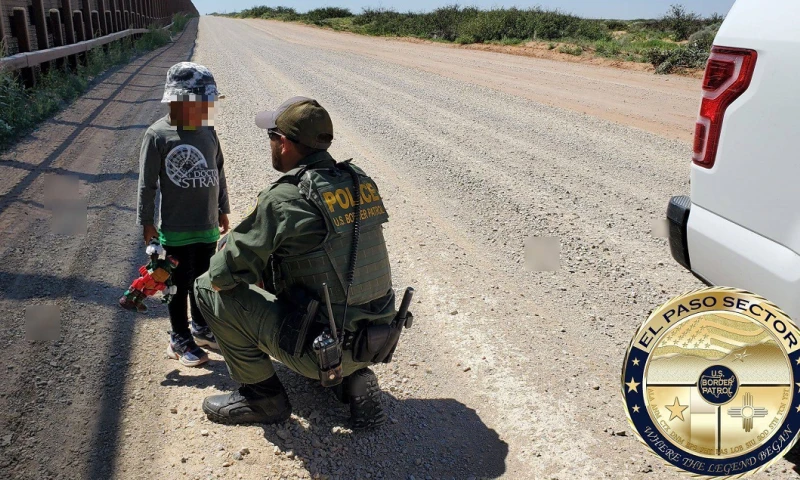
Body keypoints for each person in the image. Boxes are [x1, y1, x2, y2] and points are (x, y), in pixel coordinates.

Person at [193, 97, 398, 429]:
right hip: (375, 336)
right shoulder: (359, 179)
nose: (271, 145)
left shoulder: (286, 197)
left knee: (206, 287)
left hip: (324, 345)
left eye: (272, 137)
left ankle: (262, 398)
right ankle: (352, 379)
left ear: (285, 143)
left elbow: (223, 274)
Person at [137, 62, 231, 367]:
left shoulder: (208, 132)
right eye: (201, 103)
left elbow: (218, 172)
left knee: (202, 281)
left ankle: (201, 328)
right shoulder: (158, 135)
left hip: (207, 226)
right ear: (177, 102)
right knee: (176, 285)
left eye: (208, 103)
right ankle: (178, 338)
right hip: (176, 229)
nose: (206, 109)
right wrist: (147, 222)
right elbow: (147, 184)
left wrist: (223, 208)